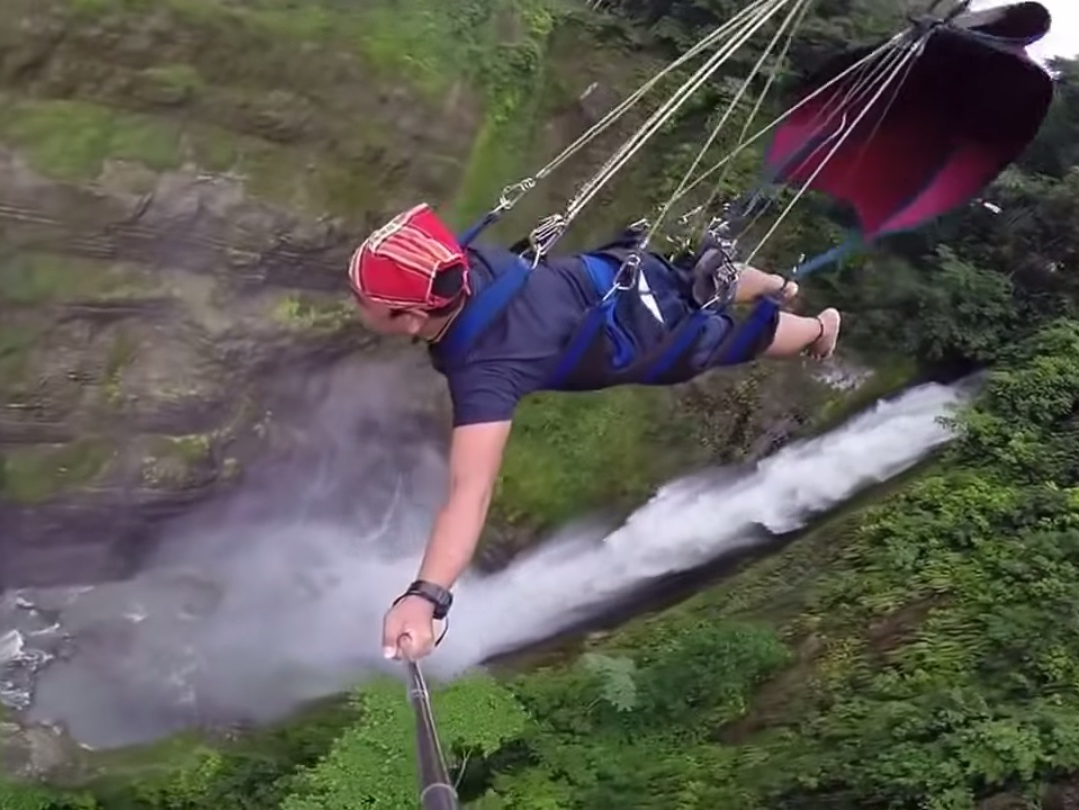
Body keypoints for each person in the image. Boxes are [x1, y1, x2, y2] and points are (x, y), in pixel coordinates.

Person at [348, 203, 841, 662]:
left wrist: (426, 595)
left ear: (411, 318)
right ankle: (777, 283)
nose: (355, 301)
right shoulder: (462, 263)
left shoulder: (486, 369)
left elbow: (468, 493)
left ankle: (819, 330)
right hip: (621, 273)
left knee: (738, 337)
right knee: (697, 275)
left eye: (362, 299)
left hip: (646, 336)